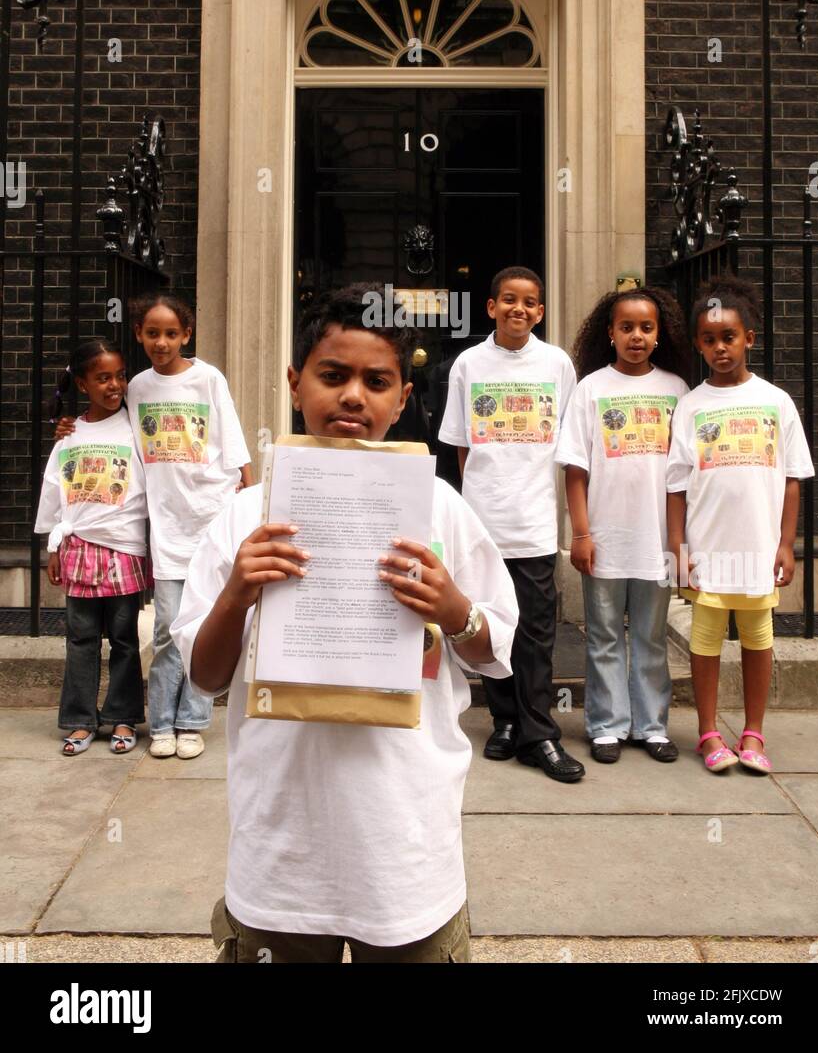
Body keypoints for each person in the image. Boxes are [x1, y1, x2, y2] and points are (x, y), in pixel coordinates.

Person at [170, 283, 517, 963]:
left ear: (402, 399)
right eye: (334, 376)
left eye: (376, 381)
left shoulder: (441, 511)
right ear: (296, 384)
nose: (354, 396)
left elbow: (493, 649)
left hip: (408, 852)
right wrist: (238, 592)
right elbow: (205, 677)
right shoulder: (245, 518)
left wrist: (454, 611)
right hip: (282, 853)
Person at [57, 293, 253, 760]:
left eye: (170, 333)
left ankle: (193, 720)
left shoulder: (208, 378)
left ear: (186, 335)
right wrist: (67, 426)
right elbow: (109, 433)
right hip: (165, 526)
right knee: (167, 627)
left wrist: (247, 494)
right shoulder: (138, 387)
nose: (161, 342)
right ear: (140, 335)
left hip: (211, 513)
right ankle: (162, 720)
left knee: (205, 623)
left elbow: (232, 436)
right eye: (151, 333)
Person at [438, 266, 583, 783]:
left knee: (535, 634)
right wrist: (481, 498)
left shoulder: (557, 363)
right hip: (484, 521)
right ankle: (503, 721)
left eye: (529, 302)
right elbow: (460, 444)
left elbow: (568, 445)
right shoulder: (468, 365)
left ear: (540, 312)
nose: (518, 309)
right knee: (487, 627)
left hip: (536, 522)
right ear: (491, 307)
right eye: (509, 300)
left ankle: (538, 733)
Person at [666, 275, 814, 773]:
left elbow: (793, 479)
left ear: (749, 337)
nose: (719, 348)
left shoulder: (776, 401)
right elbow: (676, 487)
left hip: (757, 548)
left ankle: (754, 731)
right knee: (706, 643)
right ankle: (709, 732)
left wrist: (786, 544)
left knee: (758, 637)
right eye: (708, 339)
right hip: (709, 549)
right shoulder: (690, 406)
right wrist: (678, 549)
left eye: (728, 337)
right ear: (698, 345)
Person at [557, 287, 690, 764]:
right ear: (609, 333)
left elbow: (686, 476)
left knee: (652, 636)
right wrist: (581, 533)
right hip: (606, 537)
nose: (637, 336)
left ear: (659, 334)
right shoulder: (591, 388)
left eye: (646, 327)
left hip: (657, 538)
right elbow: (575, 470)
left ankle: (651, 725)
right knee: (605, 634)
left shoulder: (677, 390)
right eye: (627, 327)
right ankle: (606, 725)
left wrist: (683, 542)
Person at [35, 341, 147, 756]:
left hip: (123, 547)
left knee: (123, 638)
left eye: (119, 376)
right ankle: (80, 721)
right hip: (79, 547)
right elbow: (54, 488)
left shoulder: (134, 427)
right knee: (80, 638)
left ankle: (122, 717)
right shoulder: (70, 433)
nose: (115, 385)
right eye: (103, 378)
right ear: (82, 383)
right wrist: (53, 545)